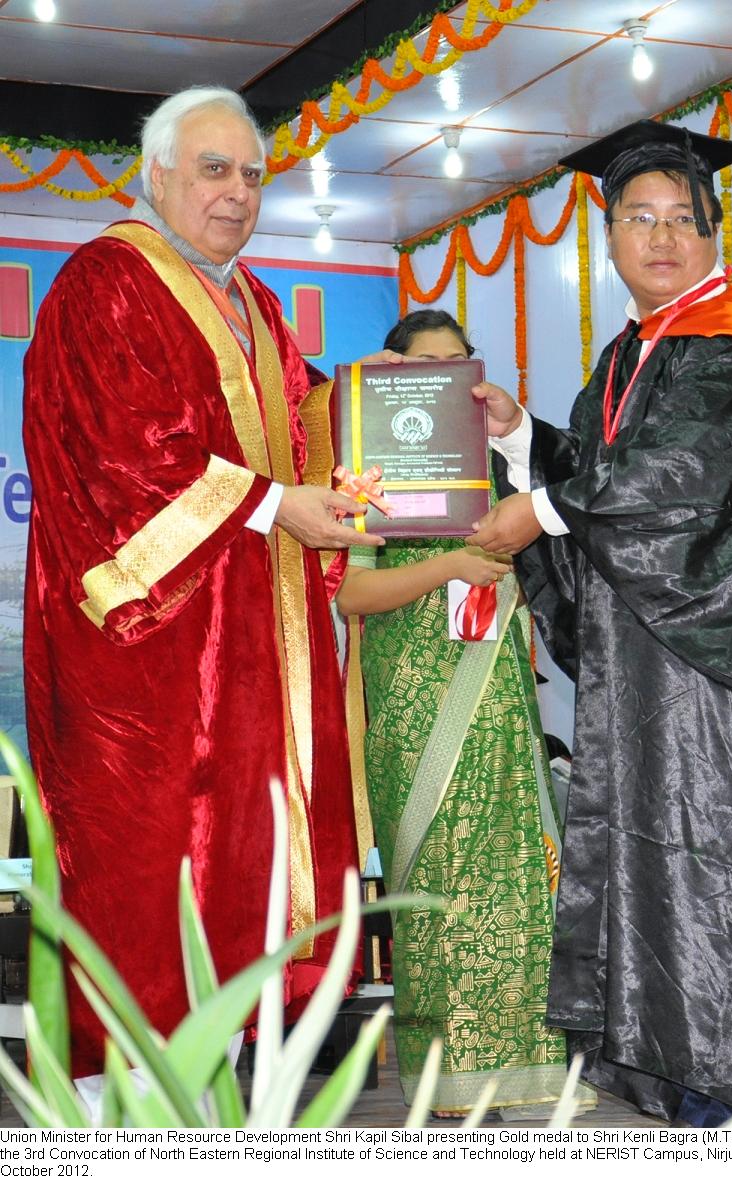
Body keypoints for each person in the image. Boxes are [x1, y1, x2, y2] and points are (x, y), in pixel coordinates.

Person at [470, 120, 732, 1126]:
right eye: (637, 220)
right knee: (663, 887)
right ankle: (686, 1086)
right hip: (649, 692)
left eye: (680, 221)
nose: (659, 238)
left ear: (713, 233)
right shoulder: (626, 359)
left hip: (725, 690)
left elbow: (677, 480)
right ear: (608, 242)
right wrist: (523, 439)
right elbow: (602, 483)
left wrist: (543, 507)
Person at [22, 86, 380, 1081]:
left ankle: (230, 1079)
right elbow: (125, 463)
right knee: (145, 880)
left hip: (254, 651)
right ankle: (116, 1112)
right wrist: (277, 505)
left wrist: (362, 435)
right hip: (152, 668)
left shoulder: (255, 302)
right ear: (160, 177)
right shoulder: (108, 283)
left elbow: (299, 432)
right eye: (214, 170)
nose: (236, 193)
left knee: (247, 871)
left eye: (253, 175)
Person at [337, 310, 592, 1117]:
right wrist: (449, 561)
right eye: (428, 363)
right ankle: (444, 1077)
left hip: (496, 688)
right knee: (434, 878)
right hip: (412, 693)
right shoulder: (366, 466)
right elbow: (351, 593)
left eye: (460, 362)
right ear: (396, 374)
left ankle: (522, 1068)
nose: (448, 376)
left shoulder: (495, 466)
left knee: (513, 871)